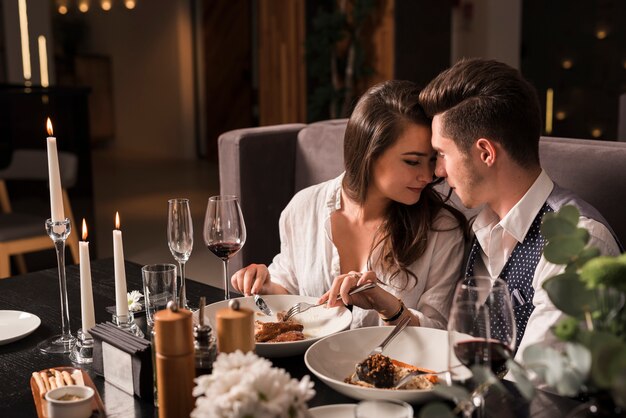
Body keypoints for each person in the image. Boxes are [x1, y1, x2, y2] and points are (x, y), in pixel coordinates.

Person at [418, 58, 622, 358]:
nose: (437, 171)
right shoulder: (479, 223)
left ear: (485, 152)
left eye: (442, 154)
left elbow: (536, 385)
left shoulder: (578, 244)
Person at [231, 80, 467, 329]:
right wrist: (263, 284)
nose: (428, 176)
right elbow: (288, 286)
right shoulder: (303, 207)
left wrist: (387, 306)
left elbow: (439, 332)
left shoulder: (441, 228)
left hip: (396, 366)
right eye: (412, 162)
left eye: (432, 160)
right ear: (370, 153)